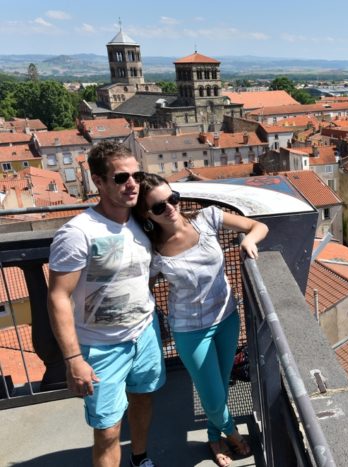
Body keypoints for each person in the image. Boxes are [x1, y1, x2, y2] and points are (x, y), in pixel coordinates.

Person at [134, 173, 268, 467]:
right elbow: (141, 286)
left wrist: (249, 243)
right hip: (189, 329)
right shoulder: (152, 250)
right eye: (159, 207)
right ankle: (231, 433)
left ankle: (212, 435)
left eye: (172, 198)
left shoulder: (207, 218)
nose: (170, 207)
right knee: (211, 393)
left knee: (218, 386)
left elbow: (258, 226)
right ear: (147, 214)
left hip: (227, 317)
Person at [48, 142, 165, 467]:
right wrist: (73, 359)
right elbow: (58, 296)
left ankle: (140, 458)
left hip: (145, 335)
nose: (132, 184)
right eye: (121, 177)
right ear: (98, 182)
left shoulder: (141, 221)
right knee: (108, 430)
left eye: (137, 176)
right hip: (101, 348)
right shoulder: (78, 233)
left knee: (142, 400)